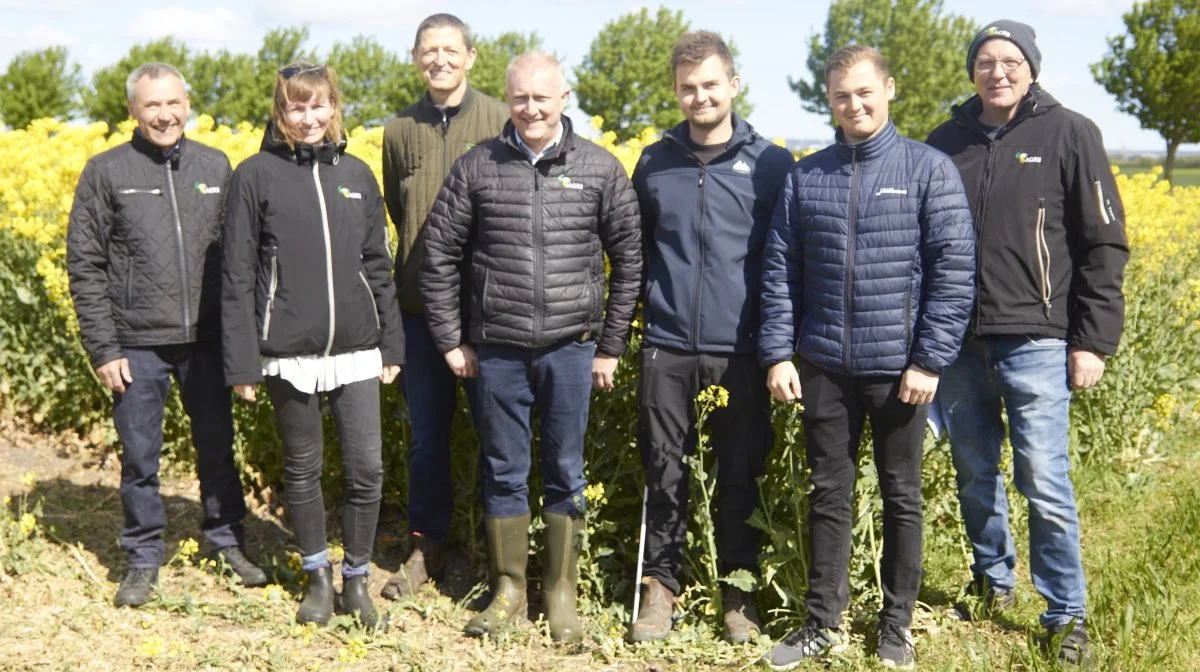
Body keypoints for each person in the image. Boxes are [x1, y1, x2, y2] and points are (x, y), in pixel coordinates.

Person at [758, 46, 975, 669]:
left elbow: (954, 272)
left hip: (900, 369)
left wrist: (929, 359)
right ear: (828, 101)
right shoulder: (807, 176)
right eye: (840, 96)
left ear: (889, 89)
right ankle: (822, 621)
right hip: (823, 363)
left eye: (863, 93)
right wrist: (778, 353)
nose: (853, 105)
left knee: (902, 495)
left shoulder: (929, 169)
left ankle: (896, 626)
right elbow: (780, 272)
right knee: (829, 493)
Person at [926, 20, 1129, 666]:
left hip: (1038, 341)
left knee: (1043, 480)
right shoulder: (944, 142)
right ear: (972, 71)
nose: (998, 72)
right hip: (959, 344)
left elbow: (1103, 245)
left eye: (1010, 60)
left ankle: (1065, 611)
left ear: (1032, 68)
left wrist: (1092, 340)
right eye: (985, 61)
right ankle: (992, 580)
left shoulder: (1070, 133)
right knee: (973, 474)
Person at [420, 52, 642, 643]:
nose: (532, 108)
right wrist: (450, 339)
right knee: (503, 470)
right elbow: (438, 255)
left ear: (564, 97)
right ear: (507, 99)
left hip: (572, 348)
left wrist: (610, 345)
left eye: (543, 97)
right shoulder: (478, 167)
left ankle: (560, 594)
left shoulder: (599, 168)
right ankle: (509, 590)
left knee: (566, 471)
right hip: (496, 350)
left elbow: (630, 261)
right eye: (521, 98)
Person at [66, 62, 266, 608]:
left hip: (206, 340)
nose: (165, 114)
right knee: (140, 457)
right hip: (136, 341)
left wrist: (241, 340)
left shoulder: (215, 164)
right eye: (152, 105)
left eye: (174, 103)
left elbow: (239, 259)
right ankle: (143, 555)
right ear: (133, 111)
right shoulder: (106, 171)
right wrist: (104, 348)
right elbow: (84, 265)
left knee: (217, 451)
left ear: (188, 103)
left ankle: (227, 541)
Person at [221, 62, 403, 629]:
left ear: (334, 107)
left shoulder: (357, 173)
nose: (309, 118)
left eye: (319, 105)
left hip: (355, 349)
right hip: (288, 352)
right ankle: (318, 576)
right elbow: (237, 274)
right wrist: (242, 360)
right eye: (297, 107)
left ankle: (357, 580)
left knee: (367, 469)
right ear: (281, 112)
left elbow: (378, 263)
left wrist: (392, 342)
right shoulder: (255, 175)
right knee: (302, 469)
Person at [627, 31, 793, 645]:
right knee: (664, 469)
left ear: (733, 86)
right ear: (676, 91)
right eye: (688, 87)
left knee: (739, 473)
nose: (700, 96)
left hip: (740, 353)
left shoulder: (772, 164)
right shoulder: (654, 161)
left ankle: (739, 592)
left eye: (710, 85)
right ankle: (660, 587)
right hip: (668, 348)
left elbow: (784, 261)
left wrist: (777, 345)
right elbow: (637, 251)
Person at [380, 12, 508, 601]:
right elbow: (395, 207)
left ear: (470, 56)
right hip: (418, 311)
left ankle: (492, 554)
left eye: (450, 50)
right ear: (415, 58)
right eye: (429, 51)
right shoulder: (398, 129)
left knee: (495, 435)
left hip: (488, 309)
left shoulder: (503, 119)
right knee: (427, 437)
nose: (440, 60)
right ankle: (426, 544)